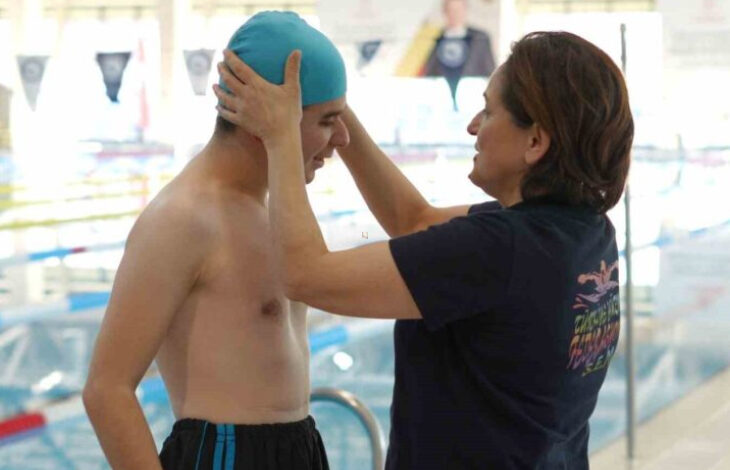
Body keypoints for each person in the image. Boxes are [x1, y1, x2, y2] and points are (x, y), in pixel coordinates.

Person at [215, 29, 633, 469]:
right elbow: (412, 220)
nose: (473, 126)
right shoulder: (583, 231)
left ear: (535, 142)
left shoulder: (497, 251)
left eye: (488, 112)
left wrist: (281, 136)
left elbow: (304, 275)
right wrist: (334, 108)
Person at [82, 11, 349, 470]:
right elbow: (107, 388)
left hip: (300, 446)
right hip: (224, 453)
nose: (342, 139)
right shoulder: (182, 218)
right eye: (327, 121)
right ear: (262, 118)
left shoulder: (279, 209)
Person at [423, 0, 496, 79]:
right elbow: (428, 71)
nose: (454, 14)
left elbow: (490, 71)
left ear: (465, 10)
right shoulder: (433, 39)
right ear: (444, 11)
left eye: (458, 10)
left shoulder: (480, 38)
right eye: (451, 10)